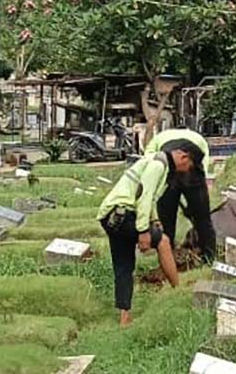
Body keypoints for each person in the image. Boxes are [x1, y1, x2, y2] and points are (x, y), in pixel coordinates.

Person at [96, 137, 201, 327]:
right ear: (184, 157)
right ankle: (178, 291)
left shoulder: (155, 161)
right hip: (124, 214)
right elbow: (144, 196)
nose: (187, 171)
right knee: (163, 242)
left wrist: (155, 220)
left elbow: (149, 196)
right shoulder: (159, 165)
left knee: (124, 265)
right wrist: (144, 231)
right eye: (190, 166)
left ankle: (124, 316)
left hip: (110, 216)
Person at [141, 128, 216, 262]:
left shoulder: (159, 137)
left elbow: (149, 161)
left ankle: (167, 257)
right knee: (203, 219)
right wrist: (199, 203)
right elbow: (202, 168)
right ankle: (208, 257)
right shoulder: (198, 138)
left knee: (166, 219)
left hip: (169, 166)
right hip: (186, 169)